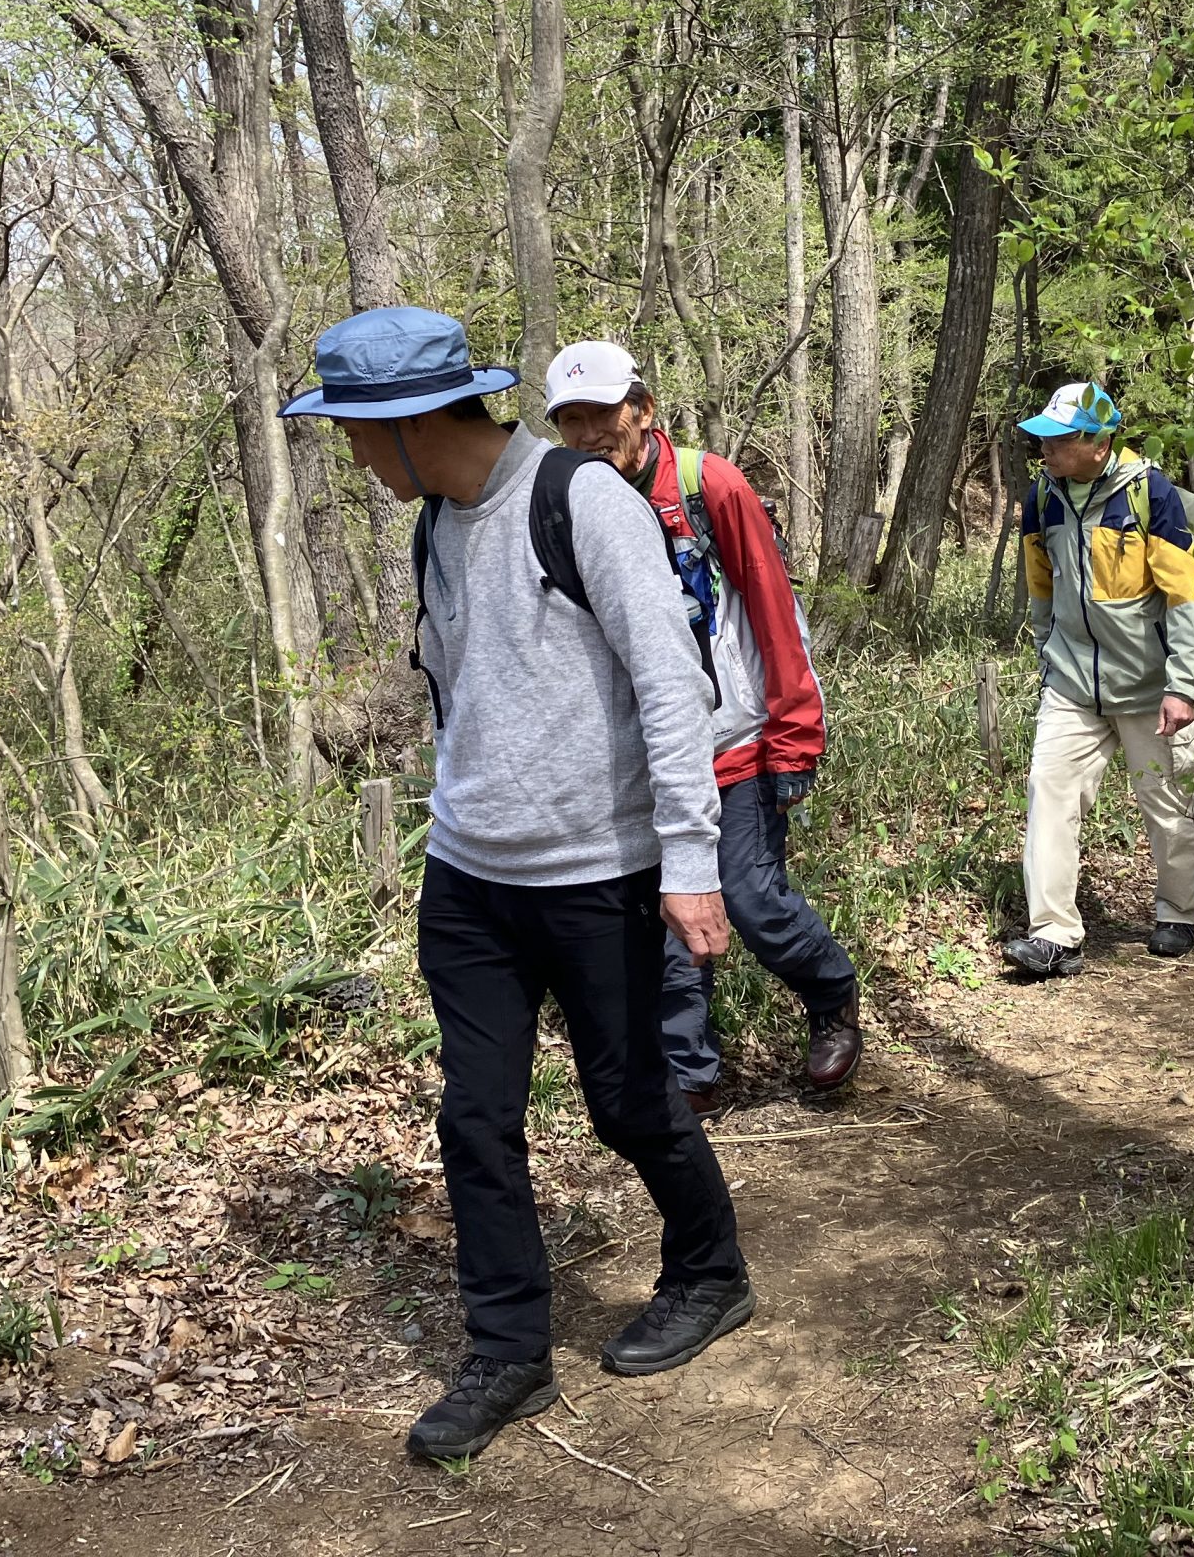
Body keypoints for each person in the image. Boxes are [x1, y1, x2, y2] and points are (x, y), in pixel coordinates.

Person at [282, 307, 754, 1465]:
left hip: (602, 872)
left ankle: (710, 1272)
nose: (344, 454)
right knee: (475, 1119)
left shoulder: (580, 501)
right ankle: (508, 1353)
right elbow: (464, 691)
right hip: (470, 879)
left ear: (406, 424)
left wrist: (690, 865)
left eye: (349, 430)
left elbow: (671, 684)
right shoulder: (434, 523)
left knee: (629, 1100)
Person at [543, 340, 862, 1115]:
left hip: (740, 739)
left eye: (602, 413)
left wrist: (797, 734)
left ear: (641, 410)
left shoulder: (704, 483)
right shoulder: (569, 504)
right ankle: (690, 1073)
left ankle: (831, 993)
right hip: (648, 754)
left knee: (751, 899)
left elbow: (774, 608)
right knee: (670, 915)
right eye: (570, 419)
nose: (588, 433)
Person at [1003, 382, 1194, 980]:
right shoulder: (1042, 495)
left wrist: (1183, 686)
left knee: (1168, 803)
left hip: (1152, 687)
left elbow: (1188, 597)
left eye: (1057, 439)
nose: (1043, 449)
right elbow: (1040, 580)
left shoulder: (1152, 495)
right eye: (1042, 438)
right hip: (1071, 685)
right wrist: (1046, 651)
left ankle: (1178, 910)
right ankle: (1054, 935)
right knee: (1050, 792)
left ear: (1097, 443)